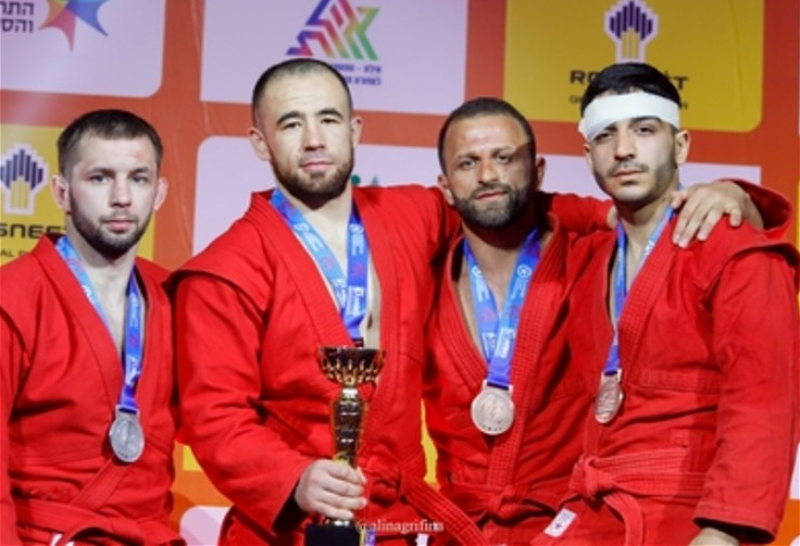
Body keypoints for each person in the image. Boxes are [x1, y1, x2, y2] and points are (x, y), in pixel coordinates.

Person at [171, 57, 779, 546]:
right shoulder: (223, 271)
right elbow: (213, 416)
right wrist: (292, 478)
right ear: (259, 141)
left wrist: (724, 198)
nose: (313, 140)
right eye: (290, 124)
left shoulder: (410, 214)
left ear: (354, 129)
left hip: (413, 521)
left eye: (328, 119)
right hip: (297, 522)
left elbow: (520, 204)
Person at [422, 98, 788, 546]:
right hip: (459, 525)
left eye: (504, 158)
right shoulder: (421, 271)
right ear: (444, 186)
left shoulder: (591, 256)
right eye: (468, 162)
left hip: (573, 517)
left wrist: (735, 195)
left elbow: (759, 392)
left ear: (537, 172)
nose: (487, 175)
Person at [532, 62, 799, 546]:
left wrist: (723, 531)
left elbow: (763, 402)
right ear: (588, 155)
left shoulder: (737, 251)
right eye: (606, 135)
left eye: (644, 130)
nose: (624, 149)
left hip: (689, 514)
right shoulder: (589, 260)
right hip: (592, 511)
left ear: (680, 146)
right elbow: (517, 207)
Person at [0, 110, 183, 546]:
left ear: (159, 193)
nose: (122, 197)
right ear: (61, 192)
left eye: (138, 179)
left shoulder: (176, 299)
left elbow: (223, 420)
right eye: (100, 178)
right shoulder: (14, 297)